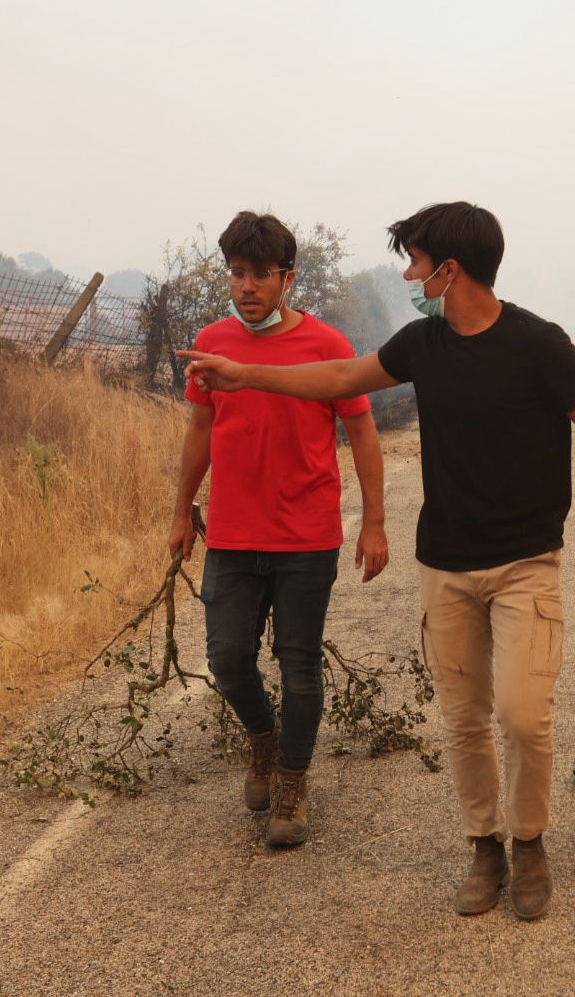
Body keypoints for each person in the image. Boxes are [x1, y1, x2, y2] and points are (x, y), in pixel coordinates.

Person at [180, 202, 575, 922]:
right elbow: (339, 379)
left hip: (526, 564)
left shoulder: (540, 344)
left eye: (416, 261)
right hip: (445, 565)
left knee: (522, 715)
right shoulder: (424, 344)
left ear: (449, 270)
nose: (408, 273)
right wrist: (246, 376)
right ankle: (484, 848)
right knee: (464, 719)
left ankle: (530, 842)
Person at [166, 210, 389, 849]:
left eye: (261, 274)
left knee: (298, 664)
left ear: (287, 278)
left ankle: (292, 780)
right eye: (237, 273)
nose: (247, 287)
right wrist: (182, 511)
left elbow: (363, 433)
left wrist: (374, 521)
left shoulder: (328, 347)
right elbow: (200, 432)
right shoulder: (212, 344)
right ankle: (262, 740)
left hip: (306, 534)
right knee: (228, 658)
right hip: (233, 534)